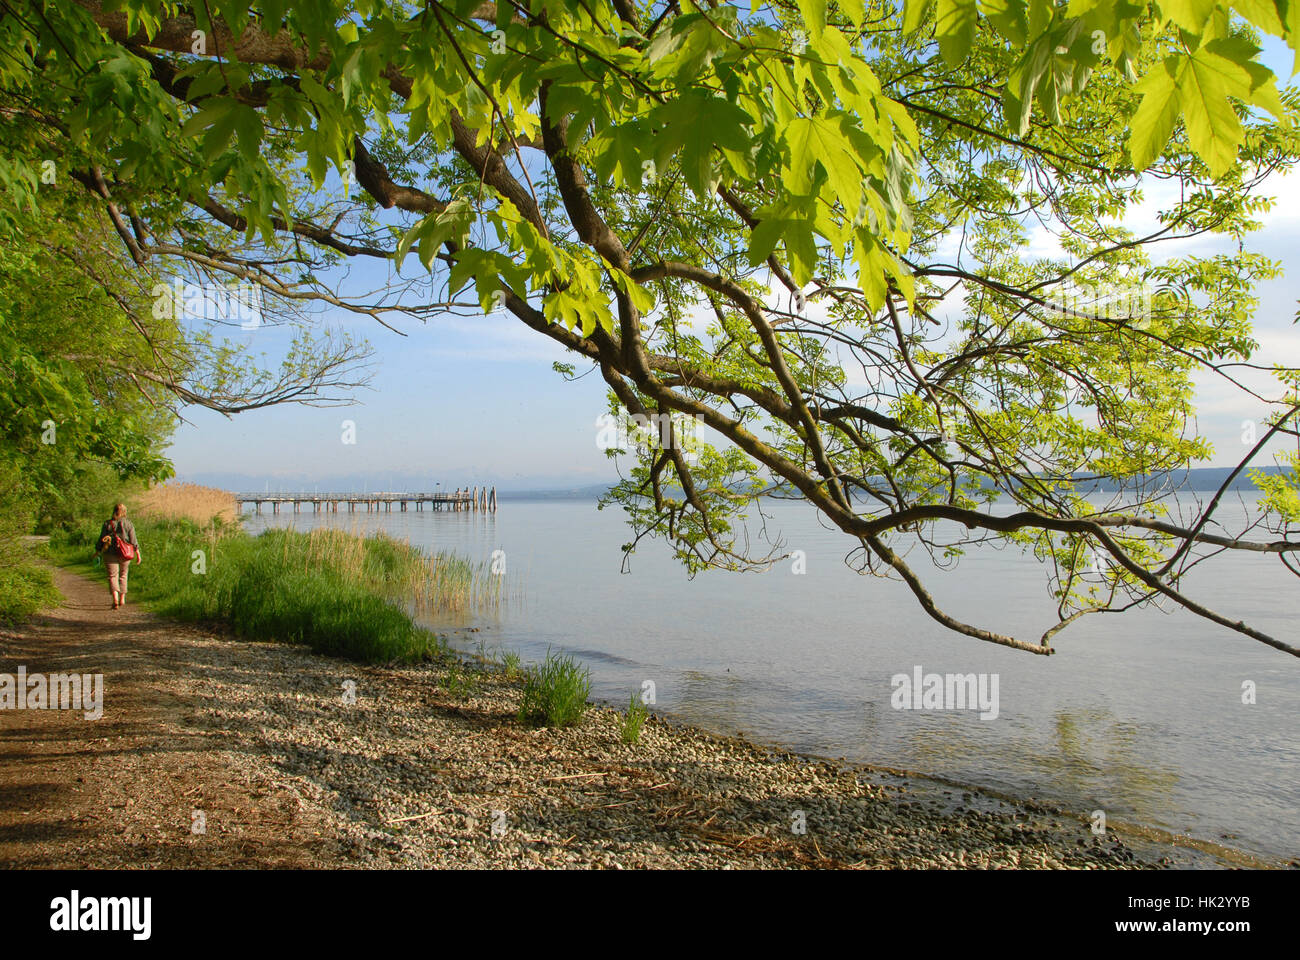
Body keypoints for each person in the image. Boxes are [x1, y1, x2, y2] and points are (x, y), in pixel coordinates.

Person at [97, 502, 142, 610]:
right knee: (123, 575)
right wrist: (137, 553)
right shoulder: (129, 524)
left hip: (110, 553)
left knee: (113, 576)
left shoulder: (107, 524)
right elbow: (133, 540)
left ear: (114, 511)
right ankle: (122, 598)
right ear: (124, 512)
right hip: (125, 553)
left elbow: (101, 539)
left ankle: (115, 599)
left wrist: (98, 550)